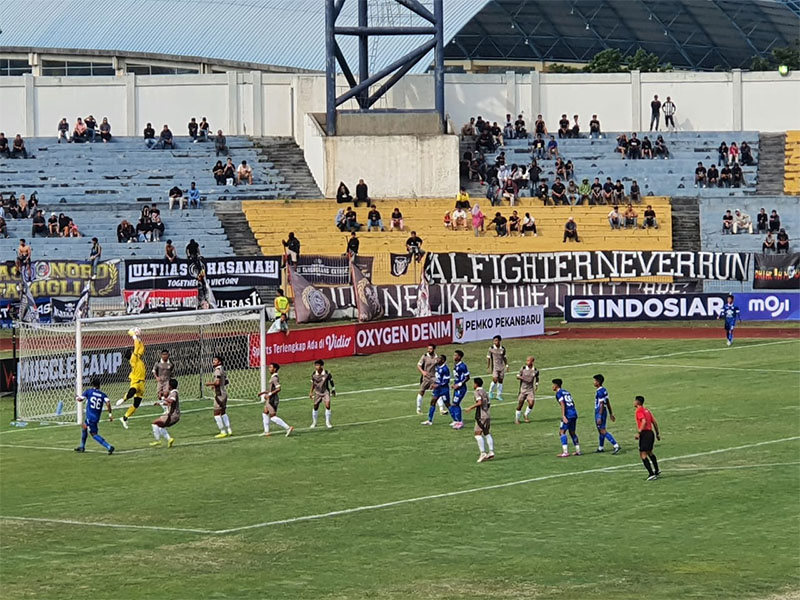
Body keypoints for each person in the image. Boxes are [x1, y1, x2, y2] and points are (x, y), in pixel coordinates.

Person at [114, 328, 146, 429]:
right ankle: (123, 399)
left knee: (136, 404)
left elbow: (141, 348)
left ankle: (124, 418)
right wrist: (133, 335)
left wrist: (139, 339)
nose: (134, 352)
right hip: (136, 381)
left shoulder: (137, 358)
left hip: (142, 383)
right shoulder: (133, 359)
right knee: (132, 391)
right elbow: (136, 346)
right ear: (131, 355)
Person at [74, 377, 115, 455]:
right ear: (99, 385)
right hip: (96, 417)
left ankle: (109, 447)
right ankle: (82, 446)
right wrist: (110, 414)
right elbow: (108, 403)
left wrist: (76, 397)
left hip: (90, 417)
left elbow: (80, 399)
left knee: (94, 434)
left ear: (92, 384)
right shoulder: (103, 395)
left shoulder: (89, 392)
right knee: (84, 427)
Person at [259, 363, 294, 437]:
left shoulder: (274, 378)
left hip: (273, 399)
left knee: (273, 416)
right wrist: (264, 392)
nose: (269, 368)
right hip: (270, 399)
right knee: (265, 412)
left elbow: (278, 388)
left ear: (274, 369)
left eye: (271, 367)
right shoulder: (273, 377)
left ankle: (287, 427)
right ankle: (266, 432)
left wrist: (270, 394)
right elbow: (272, 389)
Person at [465, 377, 494, 463]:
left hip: (481, 416)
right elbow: (488, 403)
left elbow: (479, 402)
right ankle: (491, 451)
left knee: (477, 434)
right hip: (487, 415)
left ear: (476, 384)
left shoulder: (477, 392)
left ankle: (483, 453)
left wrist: (470, 408)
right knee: (486, 432)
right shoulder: (485, 391)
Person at [634, 395, 661, 481]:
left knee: (643, 454)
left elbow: (644, 421)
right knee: (650, 452)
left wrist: (639, 433)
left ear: (637, 402)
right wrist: (657, 434)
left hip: (645, 434)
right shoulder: (647, 411)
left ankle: (651, 473)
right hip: (651, 433)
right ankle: (657, 470)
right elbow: (655, 423)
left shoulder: (639, 411)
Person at [206, 355, 233, 438]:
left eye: (215, 360)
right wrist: (216, 385)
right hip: (224, 393)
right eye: (213, 360)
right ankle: (229, 430)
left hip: (219, 394)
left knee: (216, 414)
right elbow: (226, 381)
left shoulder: (217, 370)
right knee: (223, 412)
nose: (213, 361)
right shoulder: (223, 370)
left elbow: (217, 382)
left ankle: (222, 431)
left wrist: (209, 383)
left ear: (219, 362)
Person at [553, 378, 581, 457]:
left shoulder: (559, 393)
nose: (552, 387)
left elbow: (562, 404)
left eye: (553, 385)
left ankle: (565, 452)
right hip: (573, 413)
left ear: (556, 385)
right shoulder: (567, 392)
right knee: (572, 432)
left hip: (568, 414)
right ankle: (578, 450)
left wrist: (563, 415)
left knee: (562, 432)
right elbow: (572, 402)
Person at [593, 374, 620, 454]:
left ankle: (615, 445)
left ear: (598, 382)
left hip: (600, 411)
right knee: (600, 430)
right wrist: (611, 413)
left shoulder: (600, 392)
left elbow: (601, 404)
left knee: (602, 430)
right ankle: (600, 447)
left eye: (594, 381)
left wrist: (599, 416)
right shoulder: (604, 390)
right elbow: (607, 402)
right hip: (604, 411)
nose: (593, 382)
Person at [421, 354, 451, 425]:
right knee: (433, 402)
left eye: (439, 359)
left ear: (443, 360)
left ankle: (456, 420)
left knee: (447, 404)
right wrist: (433, 384)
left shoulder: (445, 369)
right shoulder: (437, 367)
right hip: (437, 389)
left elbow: (446, 381)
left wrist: (437, 385)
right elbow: (438, 378)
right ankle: (429, 420)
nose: (437, 359)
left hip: (444, 389)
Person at [150, 378, 180, 448]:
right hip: (174, 415)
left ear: (170, 386)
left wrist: (163, 398)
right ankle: (170, 439)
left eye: (168, 385)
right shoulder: (173, 393)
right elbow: (169, 403)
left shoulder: (174, 393)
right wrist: (160, 404)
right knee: (160, 427)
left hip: (172, 415)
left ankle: (158, 440)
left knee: (154, 423)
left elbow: (171, 401)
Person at [309, 359, 336, 429]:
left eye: (318, 365)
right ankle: (314, 422)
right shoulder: (314, 374)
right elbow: (313, 383)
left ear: (321, 366)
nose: (316, 367)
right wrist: (311, 392)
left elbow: (331, 381)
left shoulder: (326, 373)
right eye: (315, 365)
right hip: (317, 392)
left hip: (325, 392)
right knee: (315, 406)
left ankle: (328, 422)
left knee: (327, 405)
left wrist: (333, 389)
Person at [414, 344, 438, 415]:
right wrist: (423, 372)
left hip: (433, 378)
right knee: (422, 392)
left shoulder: (437, 357)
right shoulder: (424, 356)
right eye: (428, 349)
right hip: (425, 378)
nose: (429, 350)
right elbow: (418, 365)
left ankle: (441, 409)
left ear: (434, 349)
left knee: (437, 392)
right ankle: (418, 409)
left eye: (430, 349)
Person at [514, 356, 539, 425]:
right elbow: (517, 376)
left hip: (530, 390)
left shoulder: (535, 370)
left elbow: (537, 377)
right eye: (527, 360)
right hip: (523, 389)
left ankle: (526, 414)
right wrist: (522, 378)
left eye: (529, 361)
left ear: (532, 362)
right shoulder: (523, 369)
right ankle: (517, 418)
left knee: (531, 403)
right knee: (520, 405)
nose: (527, 362)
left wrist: (536, 384)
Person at [450, 350, 470, 430]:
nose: (454, 357)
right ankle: (456, 420)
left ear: (459, 357)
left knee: (455, 404)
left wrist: (459, 384)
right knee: (454, 403)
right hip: (457, 387)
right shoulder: (456, 365)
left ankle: (460, 422)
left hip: (461, 389)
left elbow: (467, 377)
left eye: (455, 355)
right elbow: (458, 377)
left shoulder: (462, 366)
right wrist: (455, 384)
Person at [486, 335, 507, 402]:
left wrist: (506, 365)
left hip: (501, 367)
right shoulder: (491, 348)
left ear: (500, 341)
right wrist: (488, 367)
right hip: (495, 367)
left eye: (496, 340)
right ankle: (490, 391)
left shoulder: (503, 349)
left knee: (500, 381)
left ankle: (499, 395)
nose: (495, 342)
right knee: (495, 379)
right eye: (494, 341)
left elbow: (504, 357)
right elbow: (488, 358)